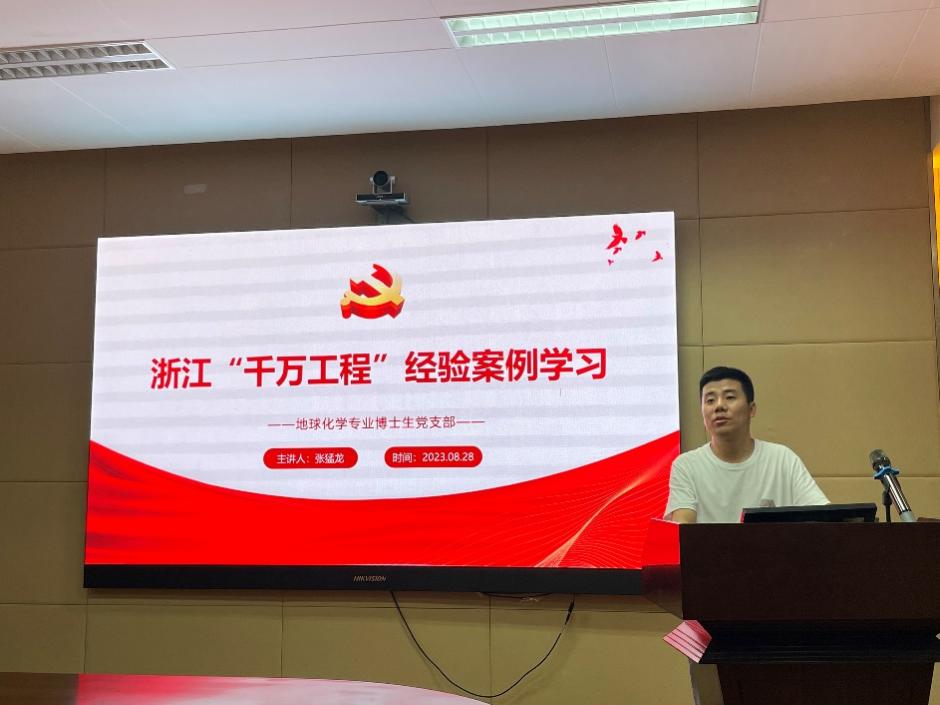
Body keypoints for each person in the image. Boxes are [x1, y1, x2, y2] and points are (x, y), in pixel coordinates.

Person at [664, 366, 828, 523]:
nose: (719, 406)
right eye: (710, 400)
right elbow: (682, 528)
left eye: (729, 397)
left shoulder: (782, 459)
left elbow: (824, 517)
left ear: (751, 409)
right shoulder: (687, 466)